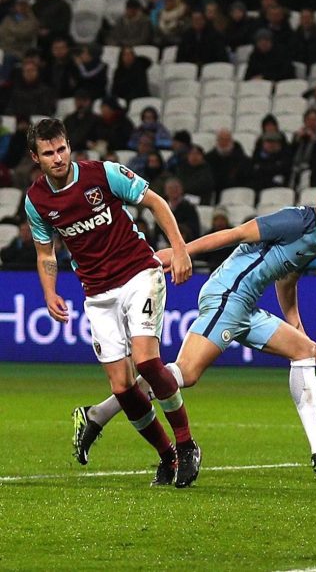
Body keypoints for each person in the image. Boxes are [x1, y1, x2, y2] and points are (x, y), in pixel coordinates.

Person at [73, 176, 316, 476]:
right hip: (228, 296)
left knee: (302, 350)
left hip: (245, 306)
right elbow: (236, 233)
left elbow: (287, 280)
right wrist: (180, 252)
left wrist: (297, 327)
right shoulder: (296, 220)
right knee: (184, 372)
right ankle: (98, 414)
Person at [23, 118, 201, 487]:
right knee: (122, 386)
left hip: (139, 273)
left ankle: (186, 446)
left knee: (147, 361)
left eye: (61, 149)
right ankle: (167, 457)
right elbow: (46, 254)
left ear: (68, 146)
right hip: (97, 293)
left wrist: (180, 249)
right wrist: (49, 291)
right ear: (35, 157)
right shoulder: (36, 201)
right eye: (48, 153)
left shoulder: (102, 174)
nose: (58, 158)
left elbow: (155, 202)